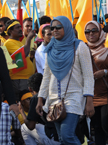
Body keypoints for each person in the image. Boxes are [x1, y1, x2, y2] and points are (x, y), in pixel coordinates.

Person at [36, 16, 95, 145]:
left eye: (58, 27)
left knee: (67, 135)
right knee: (62, 139)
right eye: (52, 28)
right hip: (53, 99)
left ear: (67, 27)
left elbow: (88, 76)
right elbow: (46, 76)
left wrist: (89, 100)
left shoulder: (79, 46)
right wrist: (40, 99)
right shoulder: (50, 48)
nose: (54, 30)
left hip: (74, 96)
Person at [85, 21, 108, 145]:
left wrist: (105, 72)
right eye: (87, 31)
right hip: (91, 94)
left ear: (100, 31)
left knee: (107, 125)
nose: (91, 33)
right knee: (97, 128)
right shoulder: (83, 49)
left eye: (94, 30)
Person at [20, 73, 59, 145]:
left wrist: (21, 112)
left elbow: (31, 126)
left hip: (53, 137)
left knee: (23, 127)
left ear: (30, 89)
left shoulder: (36, 98)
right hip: (64, 135)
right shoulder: (54, 92)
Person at [4, 19, 36, 99]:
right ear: (10, 31)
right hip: (19, 79)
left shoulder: (19, 42)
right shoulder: (8, 43)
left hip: (25, 78)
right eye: (17, 28)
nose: (20, 29)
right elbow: (22, 55)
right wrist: (28, 38)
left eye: (20, 27)